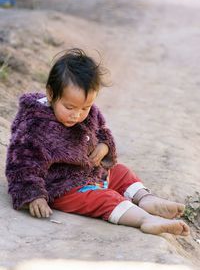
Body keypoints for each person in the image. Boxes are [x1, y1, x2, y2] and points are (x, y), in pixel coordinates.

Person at [5, 48, 190, 236]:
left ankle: (146, 198)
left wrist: (104, 146)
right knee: (103, 198)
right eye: (69, 107)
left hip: (90, 173)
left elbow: (102, 131)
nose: (77, 114)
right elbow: (21, 165)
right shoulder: (35, 126)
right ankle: (145, 219)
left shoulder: (89, 112)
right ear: (51, 94)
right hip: (63, 187)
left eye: (84, 107)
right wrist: (34, 195)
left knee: (121, 172)